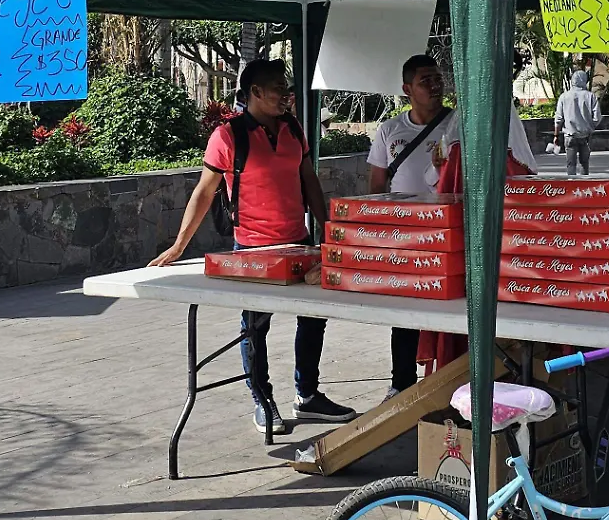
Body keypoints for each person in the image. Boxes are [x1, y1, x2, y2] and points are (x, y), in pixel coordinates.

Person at [151, 59, 356, 435]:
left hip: (299, 241)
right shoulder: (228, 136)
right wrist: (179, 245)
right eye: (277, 87)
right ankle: (262, 399)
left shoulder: (294, 128)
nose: (285, 93)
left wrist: (327, 233)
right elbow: (204, 191)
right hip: (253, 250)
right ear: (256, 93)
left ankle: (307, 396)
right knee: (254, 328)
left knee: (314, 318)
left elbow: (309, 181)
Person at [367, 54, 537, 396]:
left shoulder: (456, 124)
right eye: (425, 81)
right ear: (407, 89)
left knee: (444, 310)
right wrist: (380, 229)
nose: (434, 86)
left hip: (447, 232)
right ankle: (400, 383)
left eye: (437, 78)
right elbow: (376, 185)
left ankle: (448, 377)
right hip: (406, 232)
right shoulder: (390, 129)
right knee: (404, 314)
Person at [554, 69, 602, 176]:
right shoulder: (591, 96)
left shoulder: (564, 97)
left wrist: (556, 135)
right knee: (584, 164)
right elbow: (597, 117)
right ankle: (583, 189)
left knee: (571, 165)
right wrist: (590, 127)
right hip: (586, 137)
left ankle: (572, 187)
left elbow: (558, 119)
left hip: (570, 136)